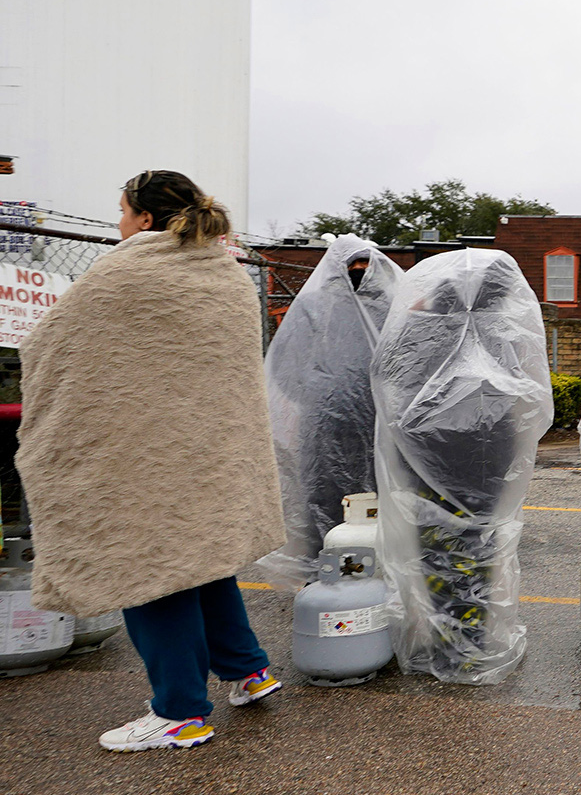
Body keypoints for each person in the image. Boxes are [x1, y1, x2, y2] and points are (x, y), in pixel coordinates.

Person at [18, 171, 285, 750]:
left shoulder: (126, 270)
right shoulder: (227, 273)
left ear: (144, 218)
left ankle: (181, 712)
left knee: (145, 568)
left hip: (147, 453)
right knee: (203, 559)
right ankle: (249, 671)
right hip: (212, 449)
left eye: (121, 212)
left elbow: (48, 343)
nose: (117, 223)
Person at [373, 250, 553, 685]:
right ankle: (472, 641)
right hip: (488, 458)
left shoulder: (420, 327)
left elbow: (386, 377)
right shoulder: (505, 329)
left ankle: (449, 645)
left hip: (432, 457)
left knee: (438, 551)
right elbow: (529, 391)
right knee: (481, 546)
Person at [258, 235, 402, 587]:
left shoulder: (391, 307)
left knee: (381, 502)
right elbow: (285, 367)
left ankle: (378, 579)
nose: (358, 271)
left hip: (379, 426)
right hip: (324, 429)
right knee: (322, 499)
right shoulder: (313, 306)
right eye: (352, 264)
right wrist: (321, 399)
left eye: (365, 264)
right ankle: (322, 580)